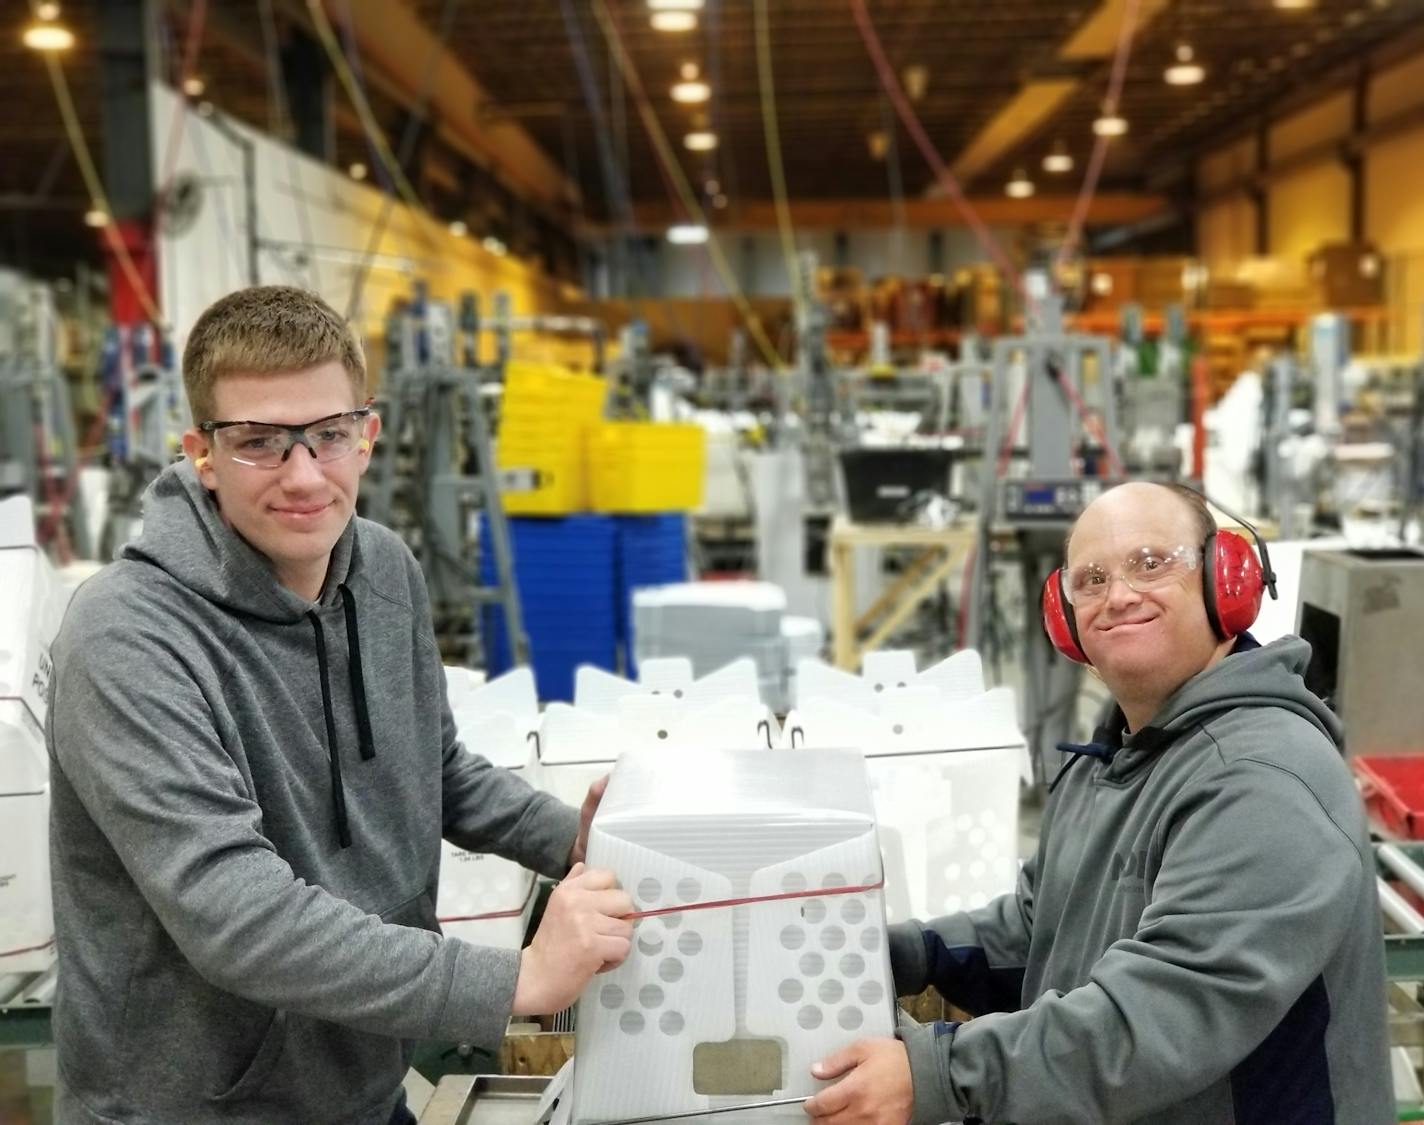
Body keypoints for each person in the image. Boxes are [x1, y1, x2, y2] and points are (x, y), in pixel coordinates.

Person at [46, 285, 633, 1125]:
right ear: (201, 452)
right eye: (259, 443)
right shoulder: (127, 637)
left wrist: (574, 838)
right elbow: (233, 913)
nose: (304, 475)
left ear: (368, 434)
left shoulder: (383, 569)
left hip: (360, 1084)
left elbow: (437, 772)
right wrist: (517, 980)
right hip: (189, 1109)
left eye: (328, 436)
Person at [804, 480, 1392, 1124]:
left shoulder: (1263, 777)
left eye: (1151, 563)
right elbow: (1038, 931)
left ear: (1226, 581)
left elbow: (1162, 1017)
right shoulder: (1117, 757)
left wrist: (941, 1073)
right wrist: (901, 952)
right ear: (1065, 617)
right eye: (1090, 579)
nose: (1118, 596)